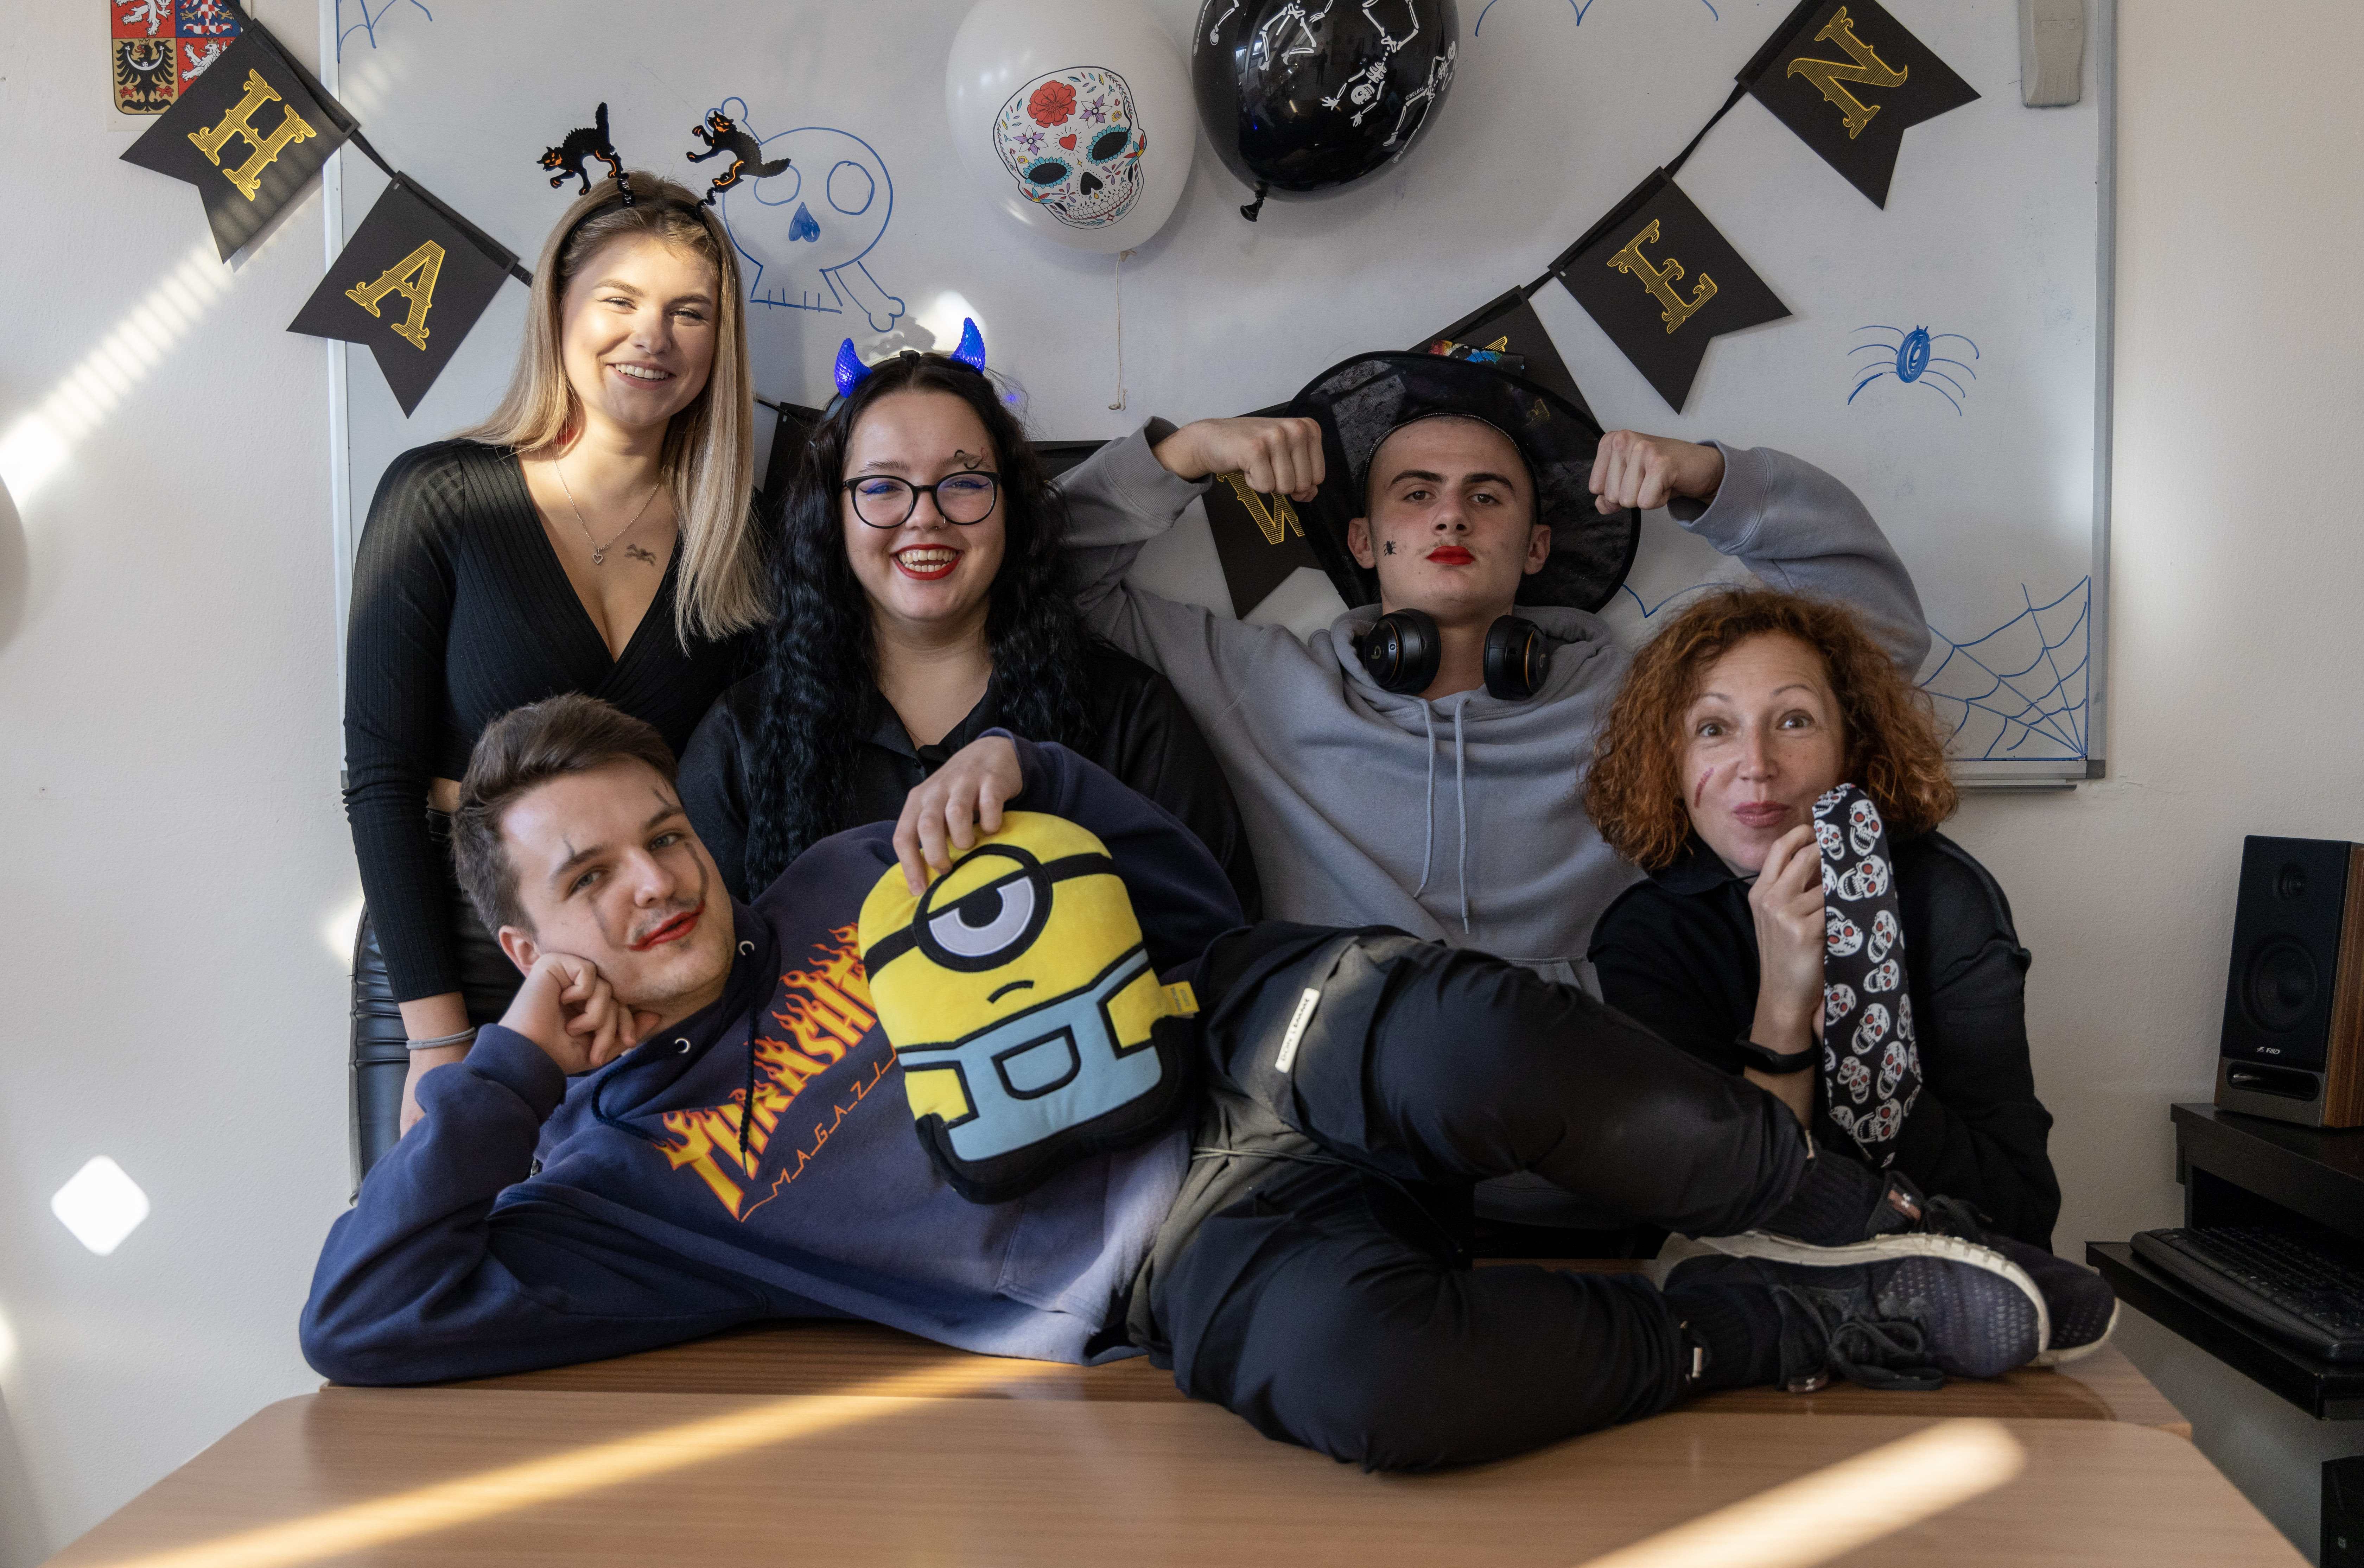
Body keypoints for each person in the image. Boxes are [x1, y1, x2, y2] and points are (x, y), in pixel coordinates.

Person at [301, 695, 2117, 1468]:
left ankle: (1847, 1216)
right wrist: (510, 1070)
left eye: (662, 833)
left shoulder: (855, 868)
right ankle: (1785, 1321)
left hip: (1259, 1032)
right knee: (1373, 1393)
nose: (656, 883)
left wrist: (1044, 778)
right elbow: (362, 1318)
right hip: (1175, 1259)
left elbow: (1189, 913)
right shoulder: (617, 1183)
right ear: (533, 940)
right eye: (592, 878)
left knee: (1481, 1037)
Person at [1055, 350, 1930, 983]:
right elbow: (1041, 593)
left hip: (1578, 1103)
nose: (1451, 517)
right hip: (1340, 1096)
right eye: (1416, 493)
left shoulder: (1639, 699)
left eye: (1486, 495)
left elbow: (1877, 639)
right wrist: (1184, 454)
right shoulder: (1256, 682)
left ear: (1537, 546)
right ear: (1362, 541)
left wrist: (1711, 477)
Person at [342, 172, 766, 1170]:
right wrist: (438, 1040)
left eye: (689, 313)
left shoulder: (740, 537)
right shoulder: (442, 493)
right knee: (426, 1248)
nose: (652, 337)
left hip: (661, 963)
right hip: (456, 960)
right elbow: (382, 780)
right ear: (559, 309)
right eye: (620, 300)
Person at [676, 346, 1258, 916]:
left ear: (1012, 508)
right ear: (833, 515)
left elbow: (1221, 941)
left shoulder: (1128, 714)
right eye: (881, 487)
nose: (925, 517)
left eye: (964, 482)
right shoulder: (743, 739)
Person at [1585, 587, 2062, 1249]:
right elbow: (1718, 1222)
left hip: (1936, 1284)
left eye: (1794, 721)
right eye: (1714, 729)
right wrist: (1784, 1009)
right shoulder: (1646, 936)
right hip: (1741, 1287)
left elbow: (2021, 1213)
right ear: (1671, 758)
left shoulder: (1944, 899)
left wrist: (1871, 1062)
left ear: (1851, 745)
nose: (1757, 767)